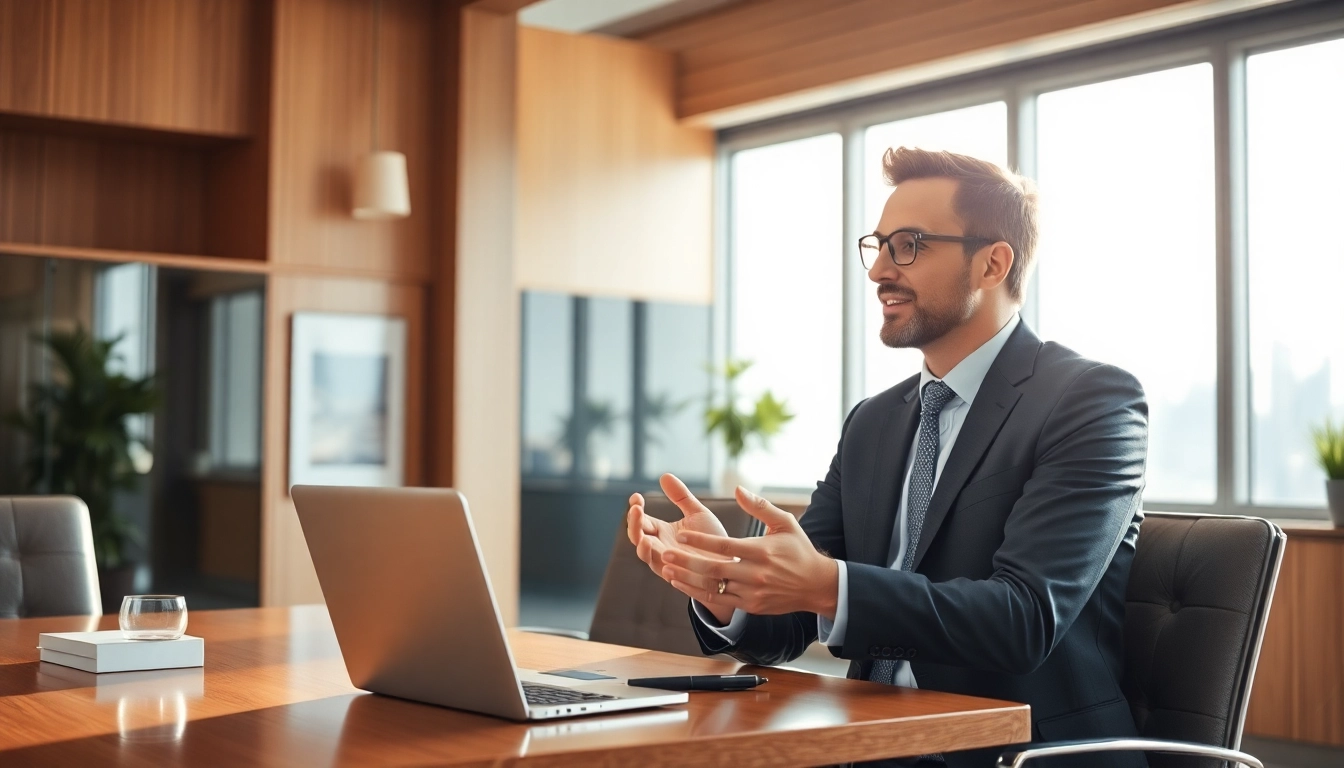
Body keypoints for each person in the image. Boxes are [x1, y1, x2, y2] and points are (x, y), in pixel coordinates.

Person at [625, 147, 1149, 768]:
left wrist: (827, 584)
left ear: (992, 263)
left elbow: (1023, 619)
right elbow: (790, 622)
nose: (878, 272)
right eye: (878, 246)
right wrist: (724, 581)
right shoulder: (872, 422)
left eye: (909, 246)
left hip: (1014, 753)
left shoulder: (1091, 401)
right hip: (869, 744)